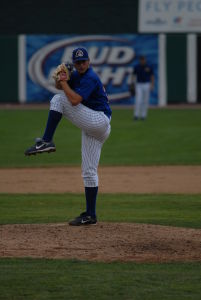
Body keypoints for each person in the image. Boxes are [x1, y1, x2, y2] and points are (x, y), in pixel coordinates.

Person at [24, 47, 112, 226]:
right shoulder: (75, 73)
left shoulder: (90, 77)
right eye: (78, 62)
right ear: (74, 62)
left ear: (89, 62)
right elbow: (60, 86)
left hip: (98, 120)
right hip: (93, 126)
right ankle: (90, 215)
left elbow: (73, 100)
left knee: (59, 100)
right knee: (88, 171)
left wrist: (63, 83)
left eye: (84, 61)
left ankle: (46, 141)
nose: (81, 65)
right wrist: (60, 80)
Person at [131, 55, 154, 120]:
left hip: (147, 84)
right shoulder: (137, 67)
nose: (142, 61)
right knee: (138, 100)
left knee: (145, 100)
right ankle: (136, 115)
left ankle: (144, 115)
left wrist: (152, 85)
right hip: (139, 84)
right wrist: (132, 84)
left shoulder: (149, 66)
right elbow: (133, 75)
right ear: (140, 60)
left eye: (143, 59)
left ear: (145, 60)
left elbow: (152, 76)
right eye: (141, 60)